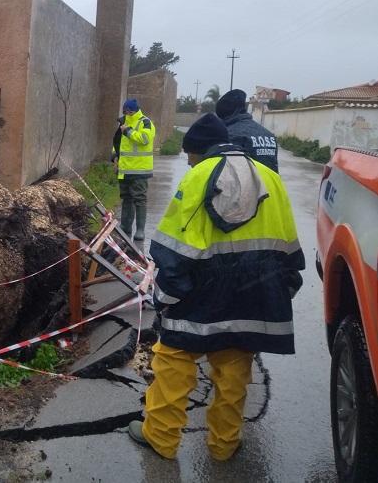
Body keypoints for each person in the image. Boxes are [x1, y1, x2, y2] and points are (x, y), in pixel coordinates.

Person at [127, 113, 305, 461]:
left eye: (188, 154)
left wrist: (165, 299)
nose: (188, 160)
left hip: (201, 291)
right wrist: (280, 290)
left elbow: (174, 250)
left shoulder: (196, 179)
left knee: (174, 362)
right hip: (257, 293)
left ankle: (161, 438)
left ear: (198, 151)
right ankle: (224, 445)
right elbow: (289, 248)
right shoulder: (270, 178)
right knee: (235, 367)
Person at [111, 98, 155, 242]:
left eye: (130, 110)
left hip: (139, 169)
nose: (128, 113)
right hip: (124, 168)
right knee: (126, 199)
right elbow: (117, 143)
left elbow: (144, 138)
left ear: (136, 110)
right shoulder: (122, 123)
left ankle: (140, 230)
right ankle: (126, 228)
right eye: (126, 111)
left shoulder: (145, 122)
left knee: (140, 199)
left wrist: (128, 131)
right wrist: (114, 157)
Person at [216, 89, 280, 173]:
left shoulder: (229, 134)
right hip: (271, 185)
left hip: (246, 185)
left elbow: (225, 173)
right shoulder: (268, 135)